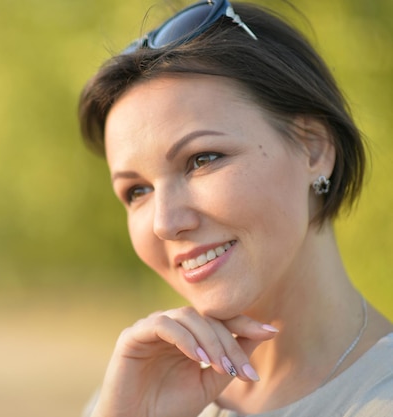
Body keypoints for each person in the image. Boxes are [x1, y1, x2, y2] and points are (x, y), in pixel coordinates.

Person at [77, 1, 393, 416]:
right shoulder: (138, 392)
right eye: (137, 191)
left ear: (313, 148)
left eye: (202, 159)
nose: (165, 223)